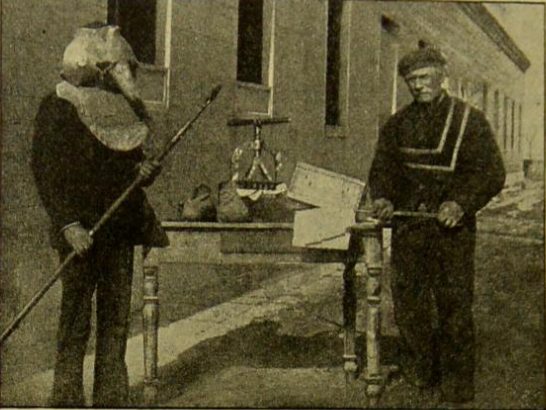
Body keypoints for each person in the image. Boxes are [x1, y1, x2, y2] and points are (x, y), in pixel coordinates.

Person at [31, 24, 168, 407]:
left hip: (118, 230)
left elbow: (132, 164)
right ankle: (66, 399)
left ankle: (111, 399)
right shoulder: (58, 106)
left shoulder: (120, 109)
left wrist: (144, 172)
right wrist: (68, 224)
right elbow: (45, 171)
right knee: (75, 322)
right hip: (80, 232)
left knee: (116, 322)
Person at [367, 42, 506, 405]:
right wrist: (383, 198)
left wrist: (461, 203)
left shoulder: (469, 121)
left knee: (454, 307)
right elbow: (382, 171)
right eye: (412, 80)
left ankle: (458, 388)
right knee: (409, 306)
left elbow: (491, 173)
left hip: (452, 233)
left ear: (442, 76)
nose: (418, 85)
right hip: (409, 230)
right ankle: (423, 371)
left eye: (425, 77)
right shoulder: (397, 125)